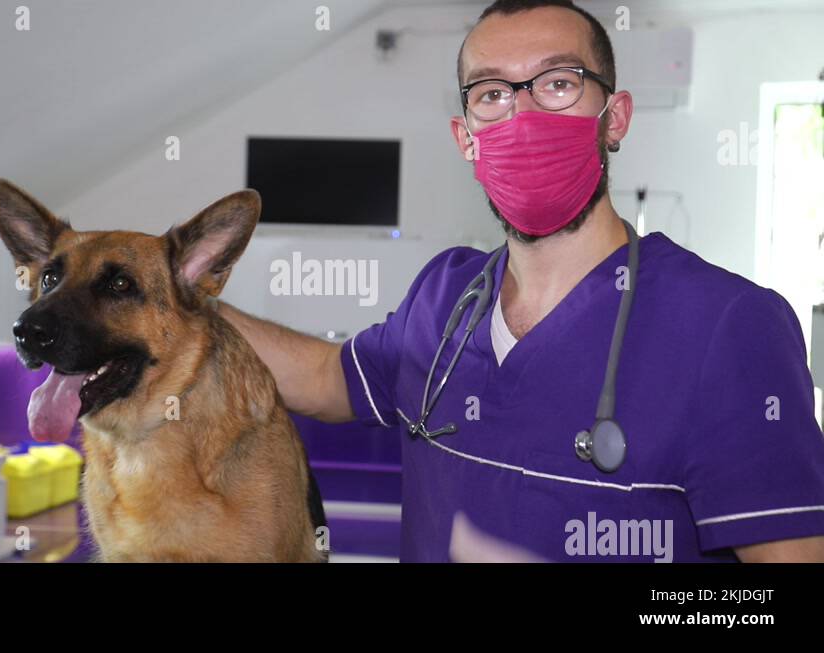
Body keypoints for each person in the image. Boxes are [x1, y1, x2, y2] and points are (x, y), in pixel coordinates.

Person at [219, 0, 824, 562]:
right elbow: (326, 377)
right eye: (492, 93)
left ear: (614, 120)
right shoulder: (443, 296)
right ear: (466, 140)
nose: (523, 114)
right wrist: (170, 291)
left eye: (559, 84)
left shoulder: (728, 324)